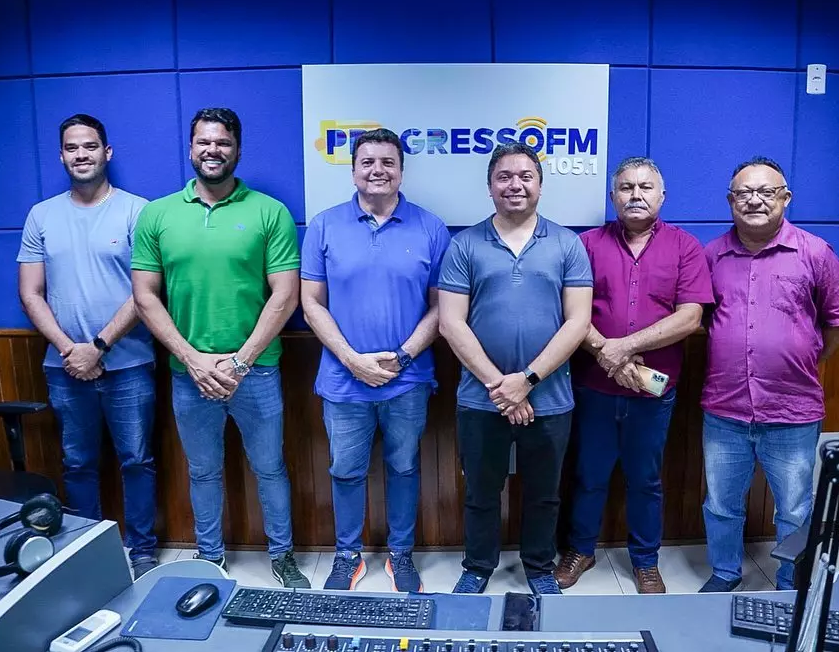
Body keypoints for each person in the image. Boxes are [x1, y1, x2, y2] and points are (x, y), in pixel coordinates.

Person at [131, 107, 310, 587]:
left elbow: (285, 295)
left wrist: (239, 362)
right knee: (203, 471)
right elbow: (145, 296)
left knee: (270, 469)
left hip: (257, 370)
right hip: (189, 374)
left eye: (223, 142)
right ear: (191, 148)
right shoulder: (158, 214)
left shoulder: (269, 212)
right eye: (204, 142)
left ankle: (282, 556)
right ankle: (210, 558)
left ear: (238, 150)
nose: (213, 150)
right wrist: (193, 360)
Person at [438, 142, 593, 596]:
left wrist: (526, 382)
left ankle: (540, 567)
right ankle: (477, 566)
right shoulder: (465, 244)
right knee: (480, 491)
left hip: (549, 398)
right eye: (504, 176)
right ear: (490, 186)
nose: (515, 185)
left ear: (540, 185)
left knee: (545, 493)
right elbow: (450, 322)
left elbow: (578, 322)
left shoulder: (567, 244)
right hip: (480, 398)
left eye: (526, 176)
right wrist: (500, 386)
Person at [301, 128, 450, 593]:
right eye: (367, 162)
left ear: (401, 171)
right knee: (345, 470)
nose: (377, 170)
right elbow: (311, 303)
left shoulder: (431, 227)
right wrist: (352, 360)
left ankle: (400, 555)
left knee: (404, 467)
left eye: (388, 162)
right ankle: (348, 555)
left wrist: (403, 356)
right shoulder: (324, 226)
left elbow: (442, 307)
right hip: (343, 380)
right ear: (353, 170)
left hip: (408, 379)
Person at [555, 157, 713, 593]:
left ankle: (645, 560)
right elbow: (570, 311)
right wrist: (609, 355)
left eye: (645, 187)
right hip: (594, 385)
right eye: (626, 187)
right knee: (588, 474)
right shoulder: (586, 245)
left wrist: (623, 348)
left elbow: (689, 318)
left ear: (662, 196)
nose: (636, 195)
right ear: (612, 197)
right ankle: (580, 550)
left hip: (654, 390)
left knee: (646, 480)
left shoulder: (685, 247)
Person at [699, 156, 839, 592]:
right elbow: (701, 318)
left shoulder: (815, 252)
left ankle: (790, 583)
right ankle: (725, 572)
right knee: (721, 503)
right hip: (725, 407)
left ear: (786, 198)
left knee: (795, 509)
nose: (755, 200)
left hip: (792, 409)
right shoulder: (711, 255)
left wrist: (807, 356)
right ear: (730, 201)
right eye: (744, 193)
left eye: (766, 192)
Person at [17, 114, 159, 579]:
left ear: (107, 152)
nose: (82, 154)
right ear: (61, 156)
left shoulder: (138, 211)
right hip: (65, 368)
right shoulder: (41, 215)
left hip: (129, 364)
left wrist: (98, 345)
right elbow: (30, 293)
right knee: (77, 464)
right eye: (72, 147)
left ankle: (142, 551)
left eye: (90, 146)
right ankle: (85, 550)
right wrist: (70, 350)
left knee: (137, 461)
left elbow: (145, 292)